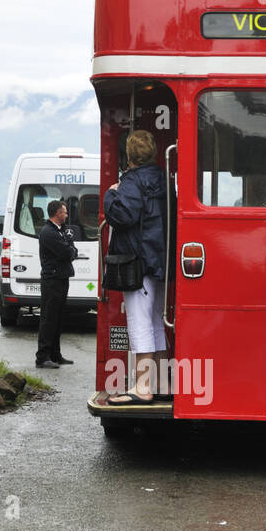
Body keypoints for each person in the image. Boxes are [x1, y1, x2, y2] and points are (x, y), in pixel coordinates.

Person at [103, 130, 168, 404]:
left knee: (139, 323)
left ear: (129, 156)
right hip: (160, 261)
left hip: (137, 263)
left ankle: (142, 388)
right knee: (157, 322)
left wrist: (109, 195)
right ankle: (164, 384)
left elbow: (123, 215)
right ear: (152, 153)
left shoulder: (131, 182)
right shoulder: (165, 180)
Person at [36, 199, 78, 369]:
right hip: (52, 280)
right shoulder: (49, 232)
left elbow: (72, 250)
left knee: (58, 318)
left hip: (61, 278)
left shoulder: (59, 231)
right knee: (49, 318)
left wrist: (70, 249)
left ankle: (55, 354)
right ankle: (42, 357)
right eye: (65, 211)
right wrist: (70, 249)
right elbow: (67, 252)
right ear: (57, 213)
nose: (67, 214)